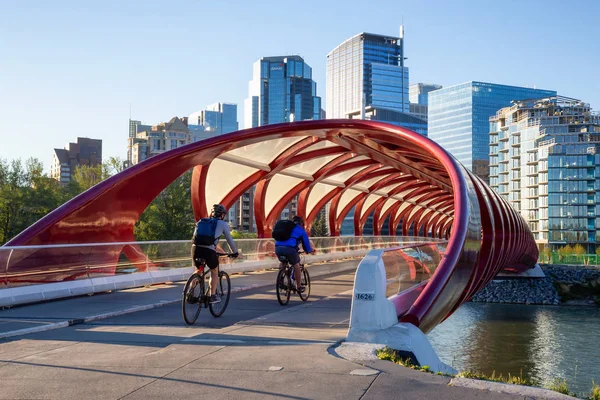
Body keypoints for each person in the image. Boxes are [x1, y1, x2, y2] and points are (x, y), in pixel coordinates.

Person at [192, 204, 238, 304]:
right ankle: (212, 295)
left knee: (198, 270)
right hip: (209, 251)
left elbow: (194, 236)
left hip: (195, 249)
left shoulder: (201, 221)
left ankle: (190, 293)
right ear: (222, 215)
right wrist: (235, 252)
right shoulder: (222, 224)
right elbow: (230, 240)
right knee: (214, 271)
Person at [274, 215, 314, 293]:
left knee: (283, 262)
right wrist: (309, 250)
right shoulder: (300, 230)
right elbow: (306, 243)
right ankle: (299, 286)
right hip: (290, 250)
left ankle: (280, 280)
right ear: (301, 224)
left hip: (278, 248)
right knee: (296, 265)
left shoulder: (286, 228)